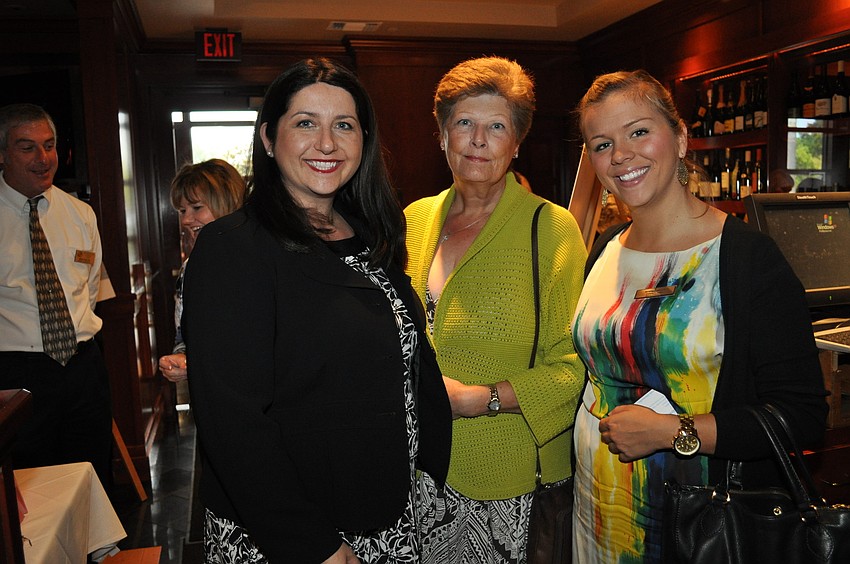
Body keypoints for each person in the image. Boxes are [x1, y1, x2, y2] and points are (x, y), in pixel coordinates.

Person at [181, 57, 452, 564]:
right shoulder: (233, 248)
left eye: (344, 125)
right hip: (296, 534)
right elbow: (232, 419)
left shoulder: (372, 236)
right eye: (305, 122)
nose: (326, 143)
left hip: (386, 512)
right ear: (267, 137)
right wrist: (313, 543)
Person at [571, 69, 828, 562]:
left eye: (639, 132)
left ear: (682, 137)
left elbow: (802, 417)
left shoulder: (747, 260)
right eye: (602, 144)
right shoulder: (603, 251)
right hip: (598, 511)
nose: (621, 154)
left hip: (703, 527)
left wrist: (673, 432)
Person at [404, 56, 588, 562]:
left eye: (496, 126)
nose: (478, 139)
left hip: (505, 474)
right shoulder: (412, 221)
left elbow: (573, 367)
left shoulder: (550, 229)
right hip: (417, 470)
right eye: (463, 123)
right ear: (442, 135)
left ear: (516, 143)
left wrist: (479, 399)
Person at [0, 103, 113, 489]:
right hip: (16, 373)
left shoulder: (80, 213)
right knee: (32, 483)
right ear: (2, 154)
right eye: (26, 147)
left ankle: (97, 551)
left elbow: (92, 290)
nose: (42, 158)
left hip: (83, 366)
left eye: (48, 146)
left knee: (92, 472)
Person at [157, 159, 247, 382]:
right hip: (214, 394)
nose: (187, 220)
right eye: (182, 210)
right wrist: (181, 359)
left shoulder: (262, 259)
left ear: (227, 203)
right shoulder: (190, 268)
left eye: (197, 208)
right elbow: (183, 334)